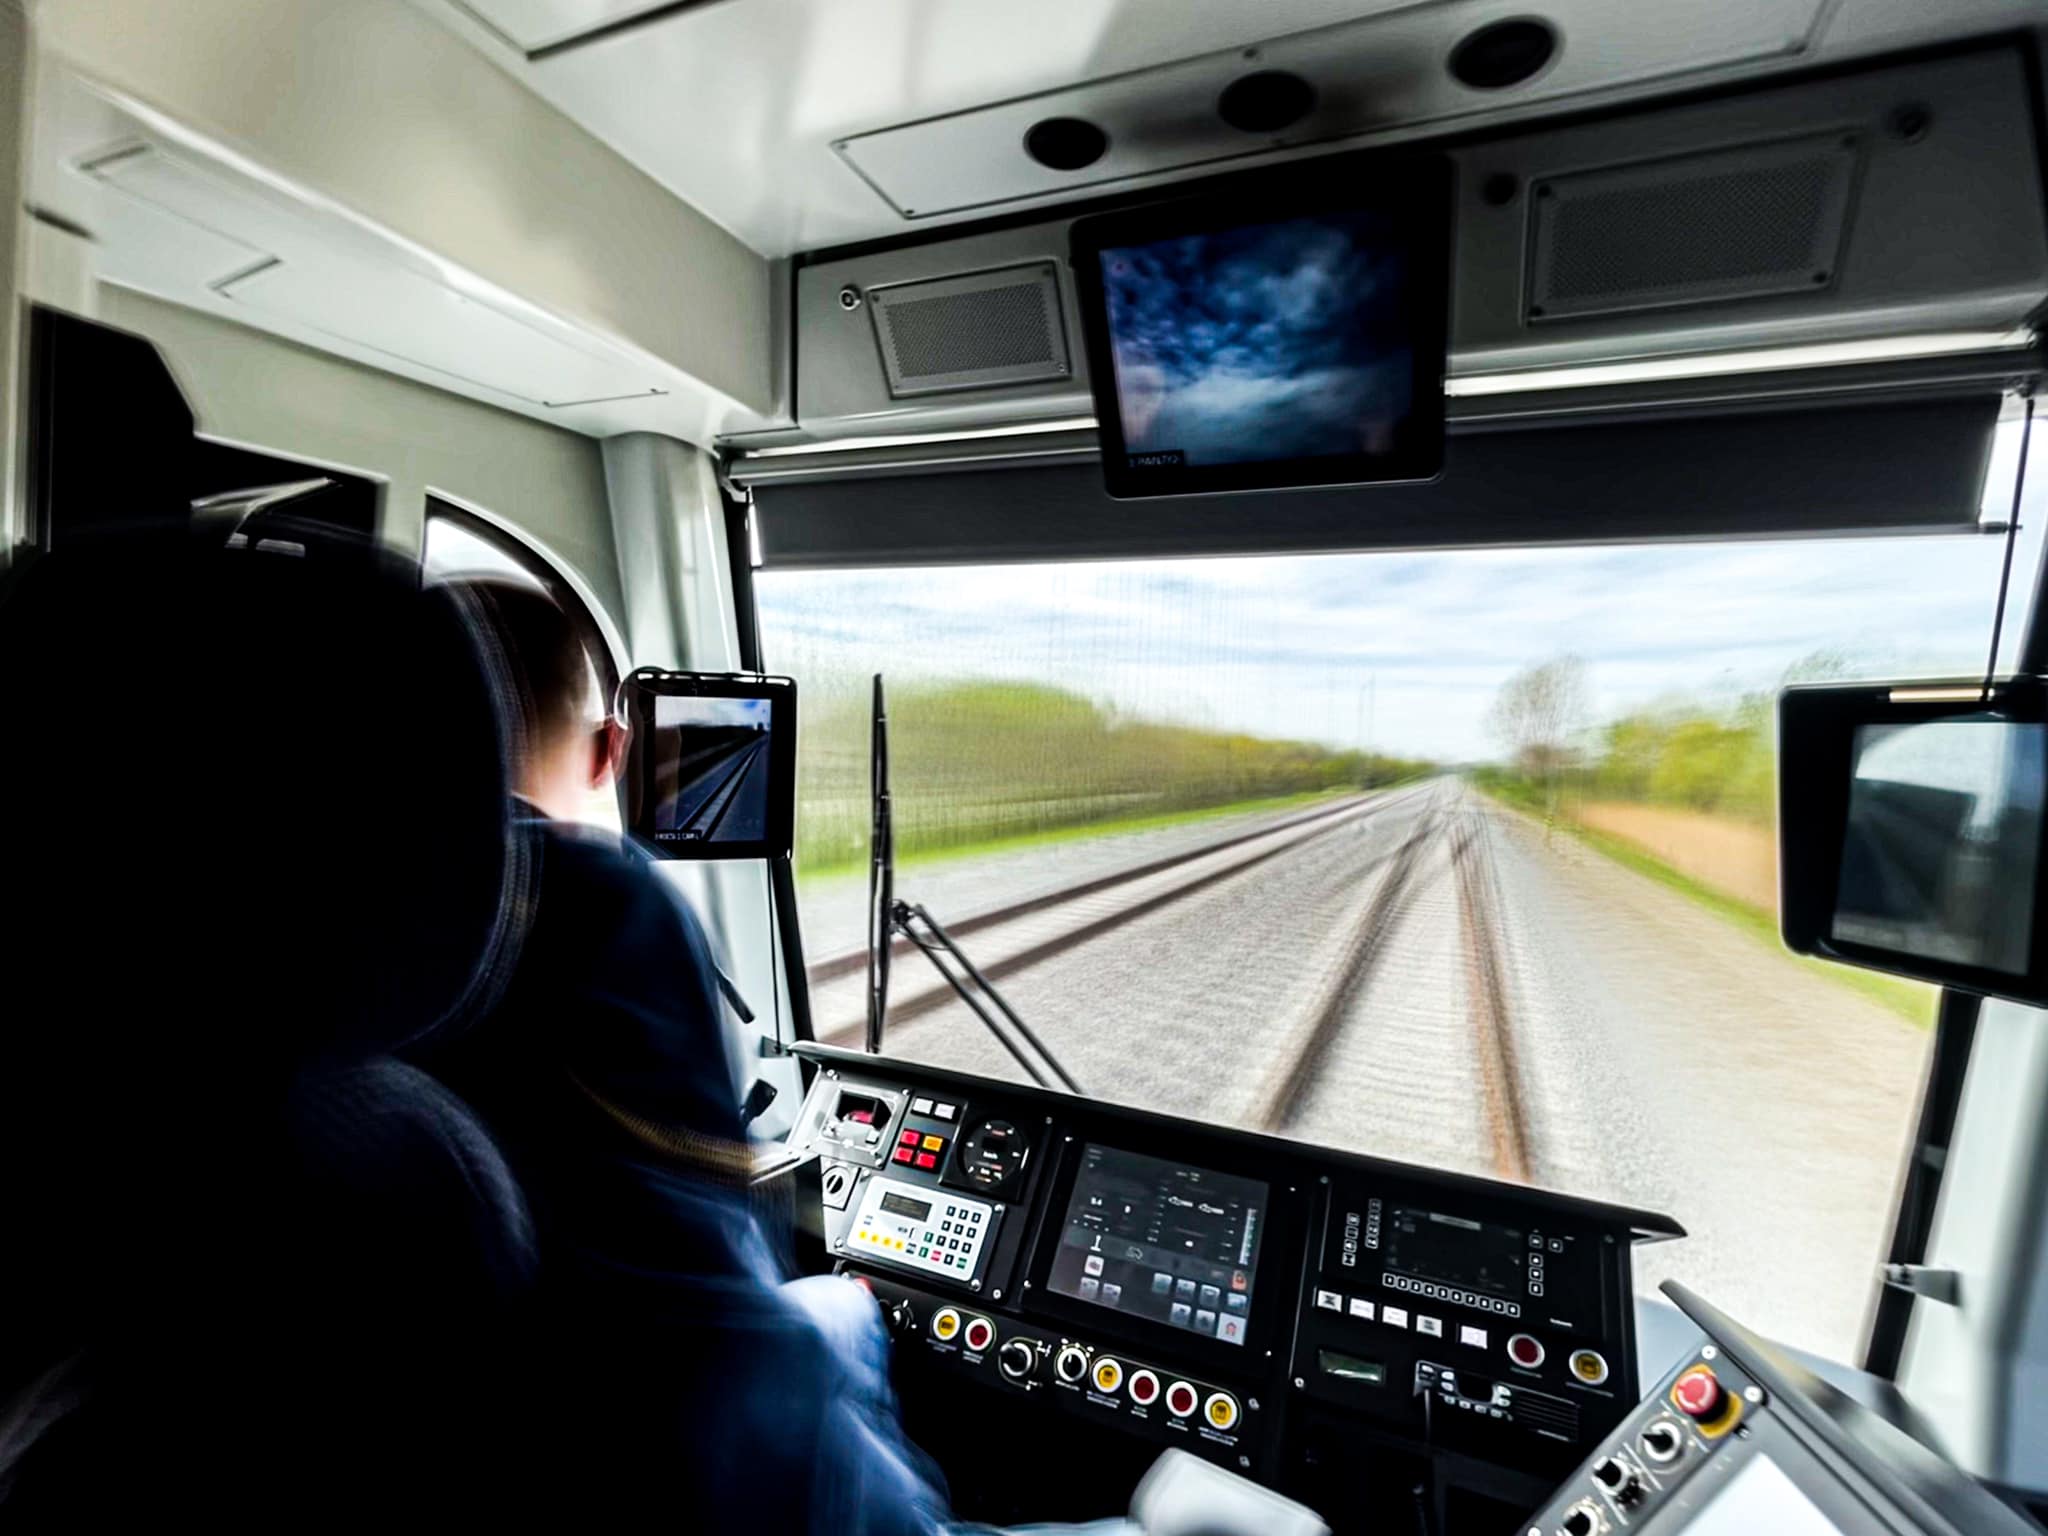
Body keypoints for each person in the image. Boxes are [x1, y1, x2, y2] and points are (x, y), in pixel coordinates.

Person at [413, 579, 954, 1530]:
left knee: (842, 1314)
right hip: (631, 1448)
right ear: (612, 751)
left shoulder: (334, 935)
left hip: (454, 1419)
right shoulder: (592, 899)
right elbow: (704, 1336)